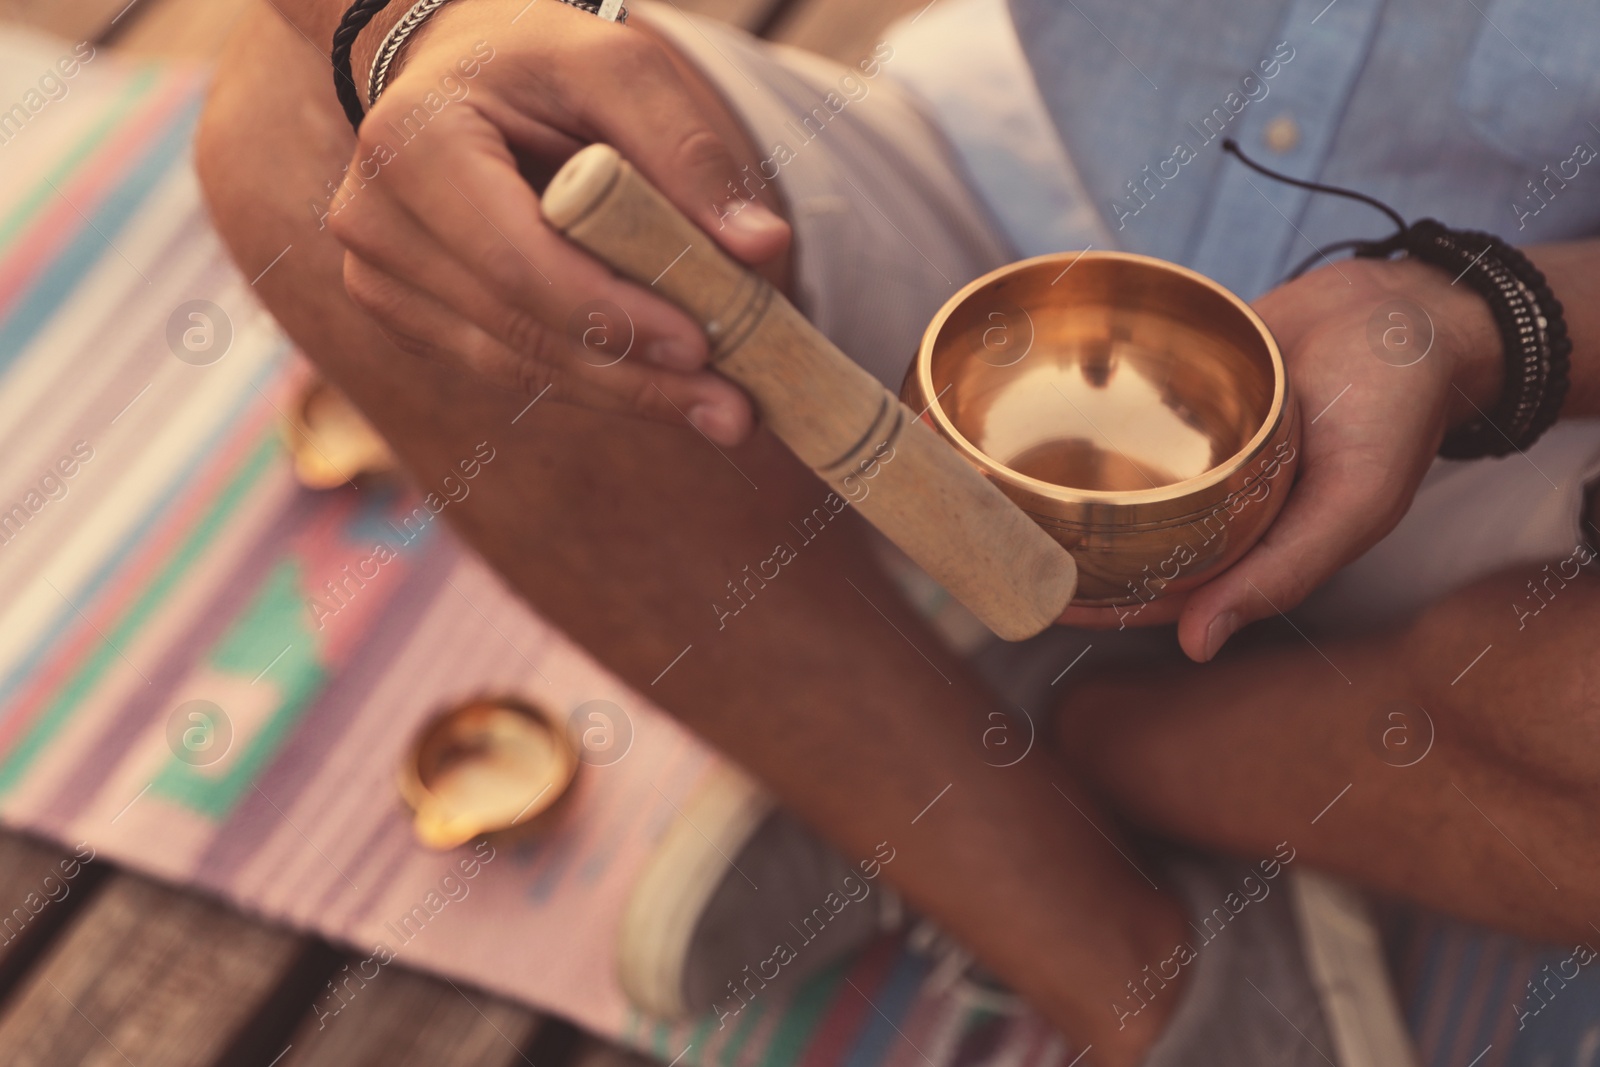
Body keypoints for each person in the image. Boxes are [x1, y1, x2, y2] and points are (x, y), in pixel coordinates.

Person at [194, 0, 1600, 1060]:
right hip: (1008, 178)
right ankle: (1129, 954)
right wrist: (413, 22)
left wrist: (1499, 330)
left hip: (1511, 429)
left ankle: (1057, 749)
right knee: (309, 126)